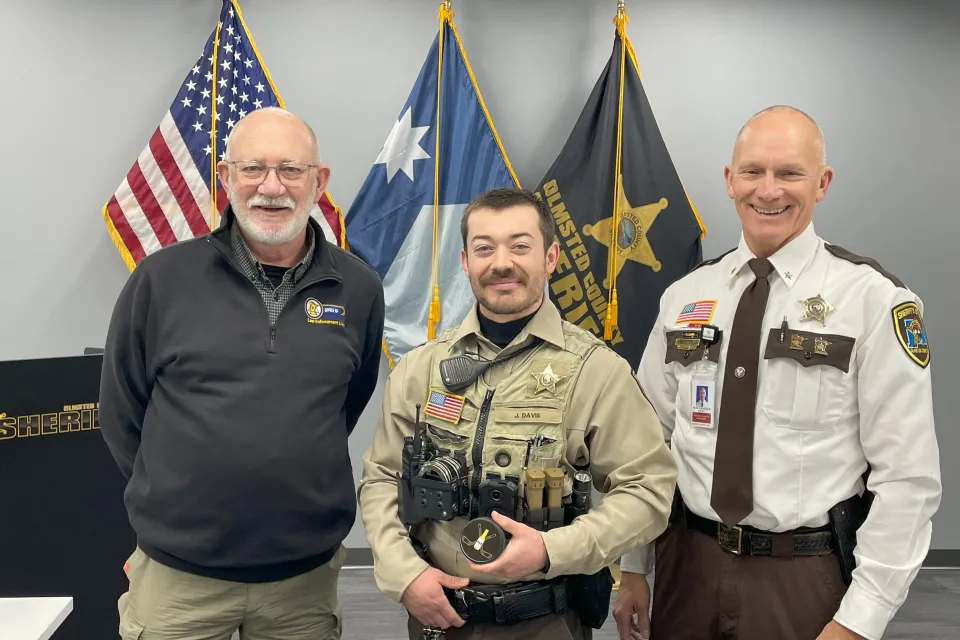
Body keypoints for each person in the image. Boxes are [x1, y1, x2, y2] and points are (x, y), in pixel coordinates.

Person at [612, 105, 942, 640]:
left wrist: (861, 619)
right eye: (753, 172)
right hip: (685, 567)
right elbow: (647, 446)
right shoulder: (686, 296)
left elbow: (908, 479)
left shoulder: (873, 300)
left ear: (822, 182)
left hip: (802, 577)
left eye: (789, 173)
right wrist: (633, 566)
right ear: (729, 180)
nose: (768, 191)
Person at [99, 107, 385, 640]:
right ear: (227, 177)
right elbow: (121, 412)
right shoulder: (160, 280)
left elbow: (344, 403)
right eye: (252, 169)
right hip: (178, 579)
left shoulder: (359, 289)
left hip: (303, 579)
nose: (270, 187)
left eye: (291, 170)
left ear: (318, 182)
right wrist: (180, 495)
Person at [358, 187, 678, 640]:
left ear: (550, 257)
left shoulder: (596, 372)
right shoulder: (421, 369)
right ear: (465, 262)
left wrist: (552, 549)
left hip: (543, 620)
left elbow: (648, 491)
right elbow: (382, 479)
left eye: (520, 245)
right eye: (484, 248)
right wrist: (403, 573)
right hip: (437, 615)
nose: (501, 262)